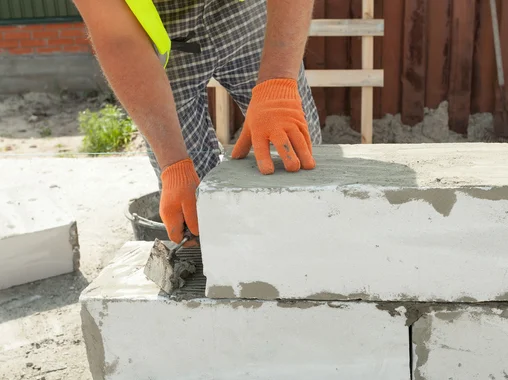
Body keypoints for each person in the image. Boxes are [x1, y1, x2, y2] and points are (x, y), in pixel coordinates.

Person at [72, 0, 322, 246]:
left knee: (300, 162)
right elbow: (119, 40)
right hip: (162, 28)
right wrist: (173, 164)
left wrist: (277, 83)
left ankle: (304, 248)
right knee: (192, 213)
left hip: (244, 9)